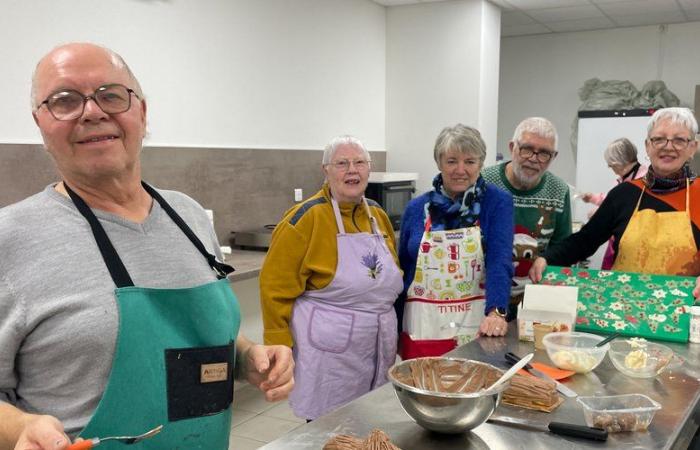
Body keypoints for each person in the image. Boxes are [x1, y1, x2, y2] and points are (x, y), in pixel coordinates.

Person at [0, 43, 293, 450]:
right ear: (40, 123)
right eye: (65, 101)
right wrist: (19, 428)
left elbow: (194, 343)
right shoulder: (9, 238)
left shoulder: (187, 216)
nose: (92, 112)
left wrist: (248, 358)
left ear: (141, 110)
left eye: (111, 95)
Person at [259, 135, 402, 421]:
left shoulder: (377, 214)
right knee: (331, 427)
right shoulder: (306, 218)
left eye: (360, 162)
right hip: (330, 354)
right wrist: (278, 345)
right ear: (326, 170)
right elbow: (274, 286)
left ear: (369, 169)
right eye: (342, 163)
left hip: (377, 343)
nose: (353, 170)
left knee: (372, 420)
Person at [531, 107, 700, 289]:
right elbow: (585, 240)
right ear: (647, 146)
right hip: (623, 308)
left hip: (683, 310)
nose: (668, 147)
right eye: (659, 139)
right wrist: (547, 258)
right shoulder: (624, 194)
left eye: (679, 140)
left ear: (693, 147)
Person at [397, 124, 514, 360]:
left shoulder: (497, 202)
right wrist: (393, 325)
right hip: (423, 328)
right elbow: (403, 270)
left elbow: (499, 260)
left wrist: (497, 312)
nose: (460, 170)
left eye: (469, 162)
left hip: (476, 325)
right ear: (439, 162)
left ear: (480, 164)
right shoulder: (416, 209)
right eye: (452, 161)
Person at [481, 117, 571, 312]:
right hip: (483, 298)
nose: (534, 158)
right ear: (512, 147)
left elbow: (563, 246)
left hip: (532, 303)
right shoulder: (484, 182)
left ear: (553, 157)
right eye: (527, 149)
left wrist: (546, 258)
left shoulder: (559, 190)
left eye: (544, 153)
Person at [579, 137, 648, 269]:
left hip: (634, 244)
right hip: (619, 239)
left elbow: (627, 209)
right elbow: (614, 201)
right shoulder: (625, 178)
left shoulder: (643, 180)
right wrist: (592, 198)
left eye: (611, 164)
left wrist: (601, 214)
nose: (610, 167)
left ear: (620, 162)